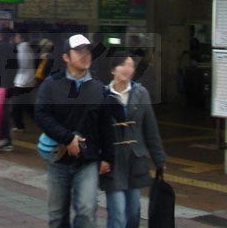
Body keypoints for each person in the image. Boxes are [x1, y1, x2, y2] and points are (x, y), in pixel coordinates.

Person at [35, 34, 113, 228]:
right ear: (66, 58)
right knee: (56, 215)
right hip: (58, 160)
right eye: (78, 52)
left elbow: (105, 124)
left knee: (86, 212)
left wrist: (108, 157)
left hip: (88, 160)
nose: (85, 55)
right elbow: (42, 115)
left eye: (87, 51)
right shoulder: (51, 85)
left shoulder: (98, 87)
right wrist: (68, 138)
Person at [101, 51, 167, 228]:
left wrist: (159, 159)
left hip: (135, 160)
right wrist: (99, 158)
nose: (128, 69)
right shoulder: (102, 95)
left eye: (131, 66)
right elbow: (96, 131)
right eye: (124, 65)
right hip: (112, 162)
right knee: (118, 213)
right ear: (113, 70)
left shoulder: (141, 93)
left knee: (134, 211)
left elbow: (150, 129)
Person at [11, 24, 37, 131]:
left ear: (20, 37)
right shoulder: (29, 48)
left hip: (21, 82)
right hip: (30, 81)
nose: (15, 38)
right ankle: (40, 122)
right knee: (27, 105)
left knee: (16, 106)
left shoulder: (21, 48)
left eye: (16, 36)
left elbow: (21, 65)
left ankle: (19, 125)